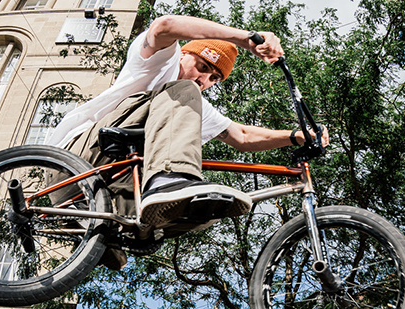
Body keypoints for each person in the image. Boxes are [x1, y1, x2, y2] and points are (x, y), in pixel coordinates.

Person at [46, 15, 329, 268]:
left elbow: (241, 136)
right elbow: (165, 26)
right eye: (202, 65)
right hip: (76, 165)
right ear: (184, 54)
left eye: (214, 78)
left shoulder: (188, 105)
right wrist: (246, 39)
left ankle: (115, 234)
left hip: (102, 194)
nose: (204, 79)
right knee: (184, 91)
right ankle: (167, 180)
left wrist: (296, 136)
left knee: (208, 205)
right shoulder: (157, 65)